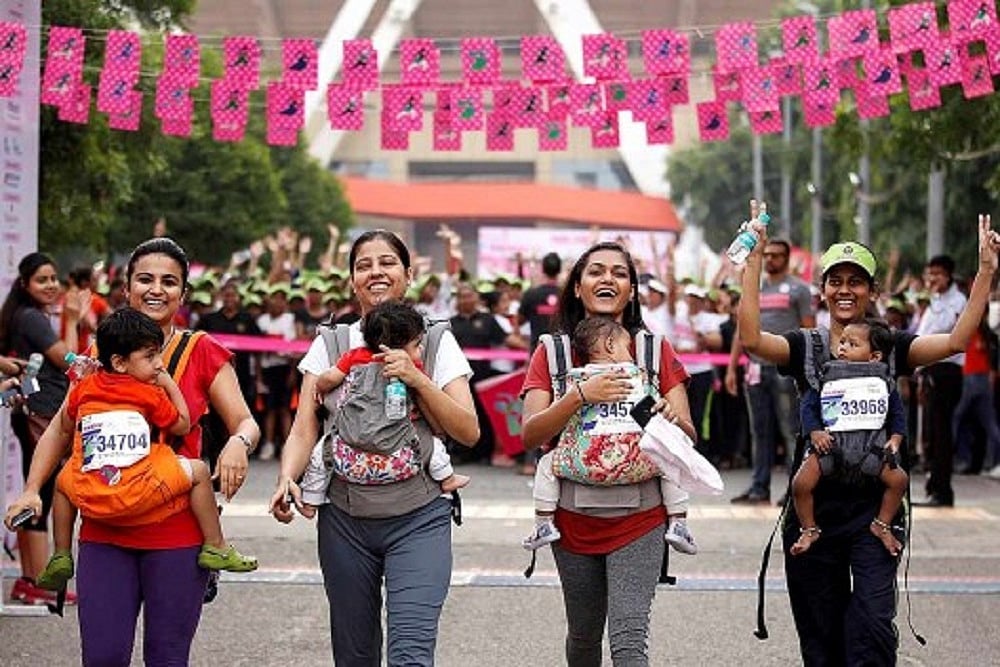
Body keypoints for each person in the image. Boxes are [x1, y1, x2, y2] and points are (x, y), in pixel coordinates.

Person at [738, 200, 999, 665]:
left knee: (875, 625)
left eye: (855, 281)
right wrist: (754, 261)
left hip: (875, 512)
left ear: (872, 290)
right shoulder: (806, 345)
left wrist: (984, 273)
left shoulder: (891, 345)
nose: (844, 290)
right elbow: (754, 340)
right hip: (814, 511)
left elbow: (957, 341)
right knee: (821, 636)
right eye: (835, 281)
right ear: (821, 290)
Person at [4, 237, 261, 664]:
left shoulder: (201, 351)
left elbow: (245, 421)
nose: (156, 289)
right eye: (145, 279)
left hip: (176, 535)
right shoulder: (100, 355)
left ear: (184, 293)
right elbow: (61, 428)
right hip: (106, 531)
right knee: (102, 658)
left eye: (169, 281)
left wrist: (239, 442)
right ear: (126, 287)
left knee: (167, 658)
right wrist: (33, 488)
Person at [269, 229, 479, 666]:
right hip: (344, 523)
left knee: (411, 655)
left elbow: (468, 430)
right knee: (355, 656)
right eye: (364, 265)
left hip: (420, 518)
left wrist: (417, 377)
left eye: (387, 262)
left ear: (407, 274)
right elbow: (305, 427)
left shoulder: (436, 341)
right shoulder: (331, 344)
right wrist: (287, 477)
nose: (375, 272)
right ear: (351, 281)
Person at [521, 241, 695, 665]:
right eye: (596, 271)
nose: (607, 279)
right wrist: (578, 396)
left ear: (632, 291)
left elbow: (687, 434)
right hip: (572, 519)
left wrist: (670, 418)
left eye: (619, 273)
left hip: (641, 518)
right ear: (577, 287)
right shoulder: (554, 351)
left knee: (629, 640)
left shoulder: (654, 351)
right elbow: (529, 434)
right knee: (583, 638)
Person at [34, 308, 257, 595]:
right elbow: (182, 424)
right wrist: (167, 383)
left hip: (94, 488)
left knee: (64, 483)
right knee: (199, 470)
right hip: (143, 486)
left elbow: (66, 423)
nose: (159, 364)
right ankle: (216, 544)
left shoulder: (85, 386)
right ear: (119, 362)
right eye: (151, 357)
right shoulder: (149, 393)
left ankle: (61, 553)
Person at [523, 315, 697, 556]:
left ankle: (543, 522)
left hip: (582, 462)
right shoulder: (638, 377)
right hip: (638, 462)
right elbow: (676, 431)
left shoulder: (576, 379)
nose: (630, 353)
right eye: (627, 347)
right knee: (670, 463)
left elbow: (531, 439)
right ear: (610, 346)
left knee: (545, 464)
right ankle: (678, 521)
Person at [298, 299, 470, 512]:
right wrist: (436, 431)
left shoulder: (353, 357)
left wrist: (320, 388)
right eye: (417, 344)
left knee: (320, 455)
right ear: (397, 346)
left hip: (351, 438)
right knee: (434, 447)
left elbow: (329, 378)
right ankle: (447, 479)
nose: (422, 348)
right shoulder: (411, 367)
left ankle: (311, 500)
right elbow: (424, 404)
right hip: (398, 442)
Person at [0, 252, 84, 605]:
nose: (50, 285)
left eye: (53, 279)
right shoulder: (33, 318)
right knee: (42, 494)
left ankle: (30, 579)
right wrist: (74, 320)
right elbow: (70, 361)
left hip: (38, 413)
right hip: (42, 415)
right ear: (25, 285)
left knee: (42, 493)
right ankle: (35, 580)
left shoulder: (27, 316)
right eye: (42, 280)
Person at [790, 319, 908, 558]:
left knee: (899, 481)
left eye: (852, 344)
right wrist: (815, 432)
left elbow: (897, 414)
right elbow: (808, 407)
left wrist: (895, 440)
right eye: (842, 341)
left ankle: (882, 524)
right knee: (800, 484)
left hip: (871, 450)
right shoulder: (827, 375)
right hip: (831, 447)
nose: (843, 347)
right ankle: (809, 529)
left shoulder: (884, 381)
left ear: (875, 357)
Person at [731, 238, 815, 505]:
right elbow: (741, 329)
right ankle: (759, 487)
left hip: (786, 371)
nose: (770, 259)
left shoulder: (799, 290)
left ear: (787, 259)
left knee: (790, 430)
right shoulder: (753, 288)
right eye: (766, 255)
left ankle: (796, 488)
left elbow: (809, 330)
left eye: (776, 255)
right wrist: (732, 367)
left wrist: (808, 369)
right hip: (755, 368)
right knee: (760, 431)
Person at [915, 254, 967, 505]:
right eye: (929, 274)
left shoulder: (958, 301)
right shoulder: (933, 301)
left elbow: (951, 333)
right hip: (930, 370)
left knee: (941, 432)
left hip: (946, 371)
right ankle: (933, 486)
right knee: (930, 434)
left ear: (948, 275)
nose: (932, 279)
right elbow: (921, 333)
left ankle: (943, 491)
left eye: (937, 274)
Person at [519, 251, 561, 349]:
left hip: (537, 350)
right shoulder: (567, 295)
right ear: (559, 270)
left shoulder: (531, 294)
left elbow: (520, 320)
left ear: (543, 269)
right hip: (562, 352)